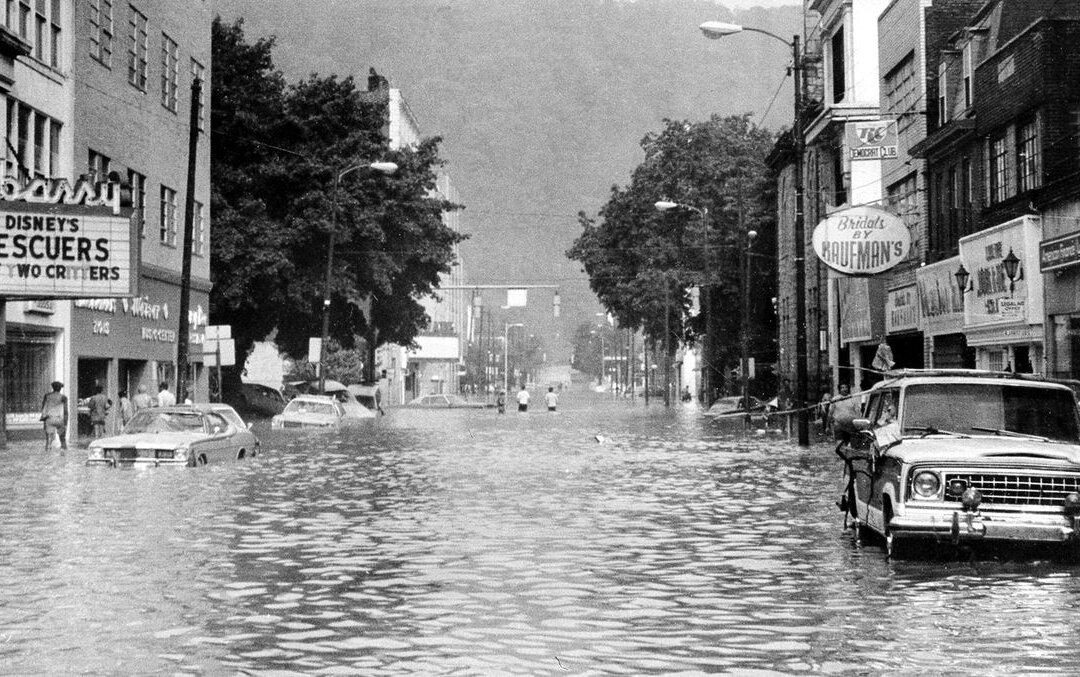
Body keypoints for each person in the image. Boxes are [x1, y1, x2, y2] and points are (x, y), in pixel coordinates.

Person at [40, 381, 68, 451]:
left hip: (49, 419)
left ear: (53, 388)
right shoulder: (63, 397)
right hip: (59, 419)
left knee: (48, 440)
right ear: (60, 388)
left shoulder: (47, 396)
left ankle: (48, 451)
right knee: (62, 439)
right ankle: (63, 453)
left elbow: (43, 407)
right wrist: (65, 422)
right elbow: (65, 411)